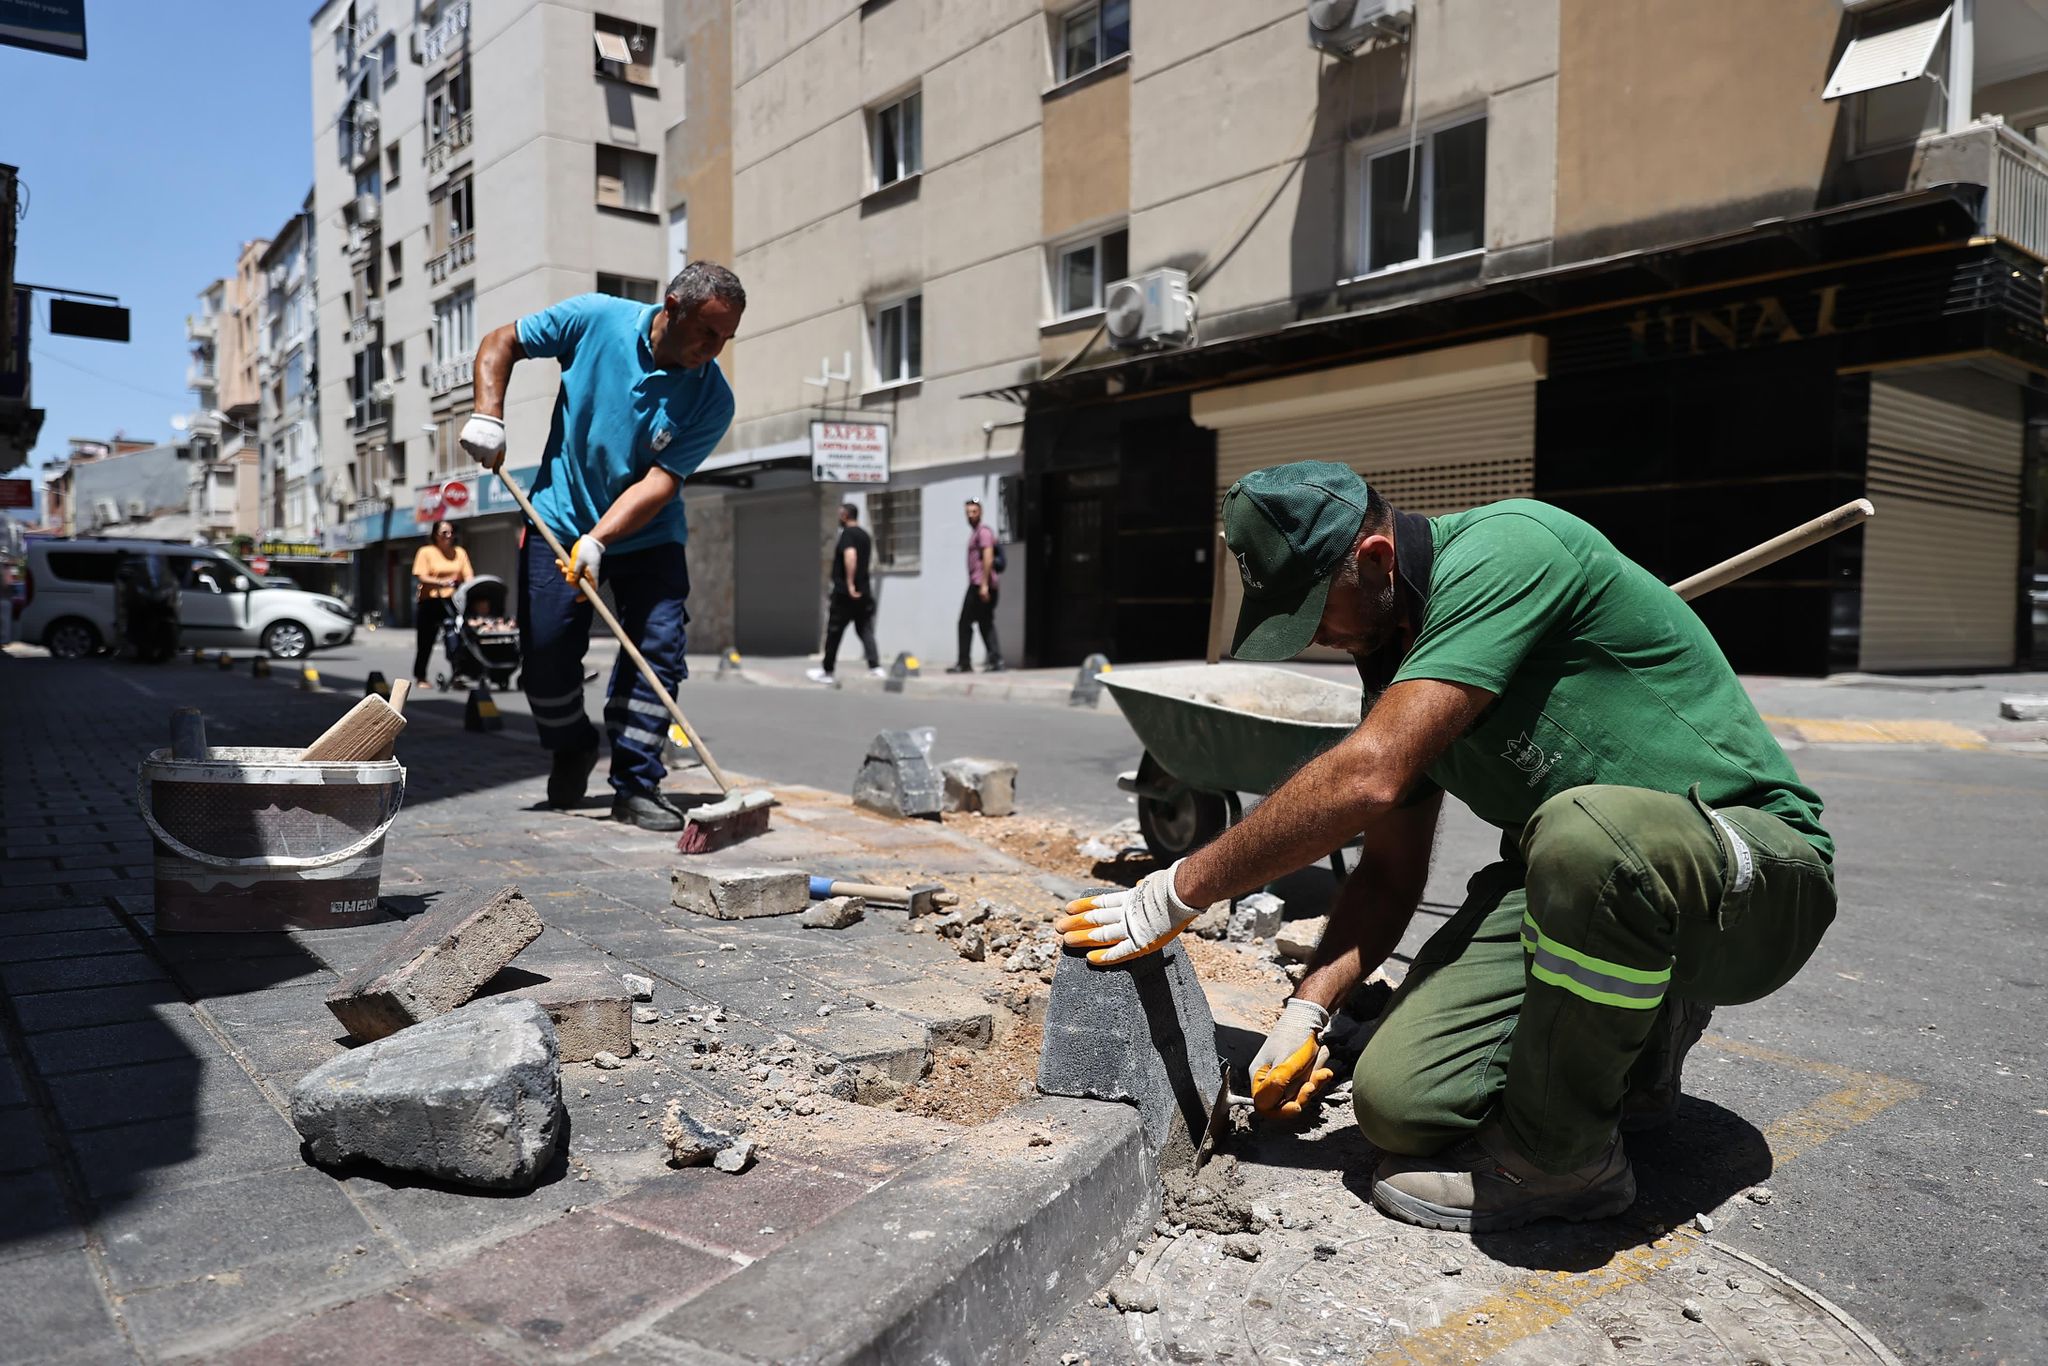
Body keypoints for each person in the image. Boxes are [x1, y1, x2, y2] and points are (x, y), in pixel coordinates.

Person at [1055, 461, 1837, 1234]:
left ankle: (1564, 1159)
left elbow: (1368, 777)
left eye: (1315, 612)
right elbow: (1389, 876)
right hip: (1577, 885)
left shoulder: (1514, 547)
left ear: (1375, 560)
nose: (1318, 640)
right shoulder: (1397, 657)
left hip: (1747, 877)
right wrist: (1308, 1010)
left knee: (1581, 833)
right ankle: (1628, 1068)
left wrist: (1177, 891)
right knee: (1398, 1103)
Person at [459, 261, 744, 831]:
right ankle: (571, 745)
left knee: (658, 649)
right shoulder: (595, 319)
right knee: (543, 657)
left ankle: (637, 783)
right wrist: (488, 414)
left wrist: (601, 539)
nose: (714, 349)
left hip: (646, 534)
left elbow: (660, 482)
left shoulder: (713, 400)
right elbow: (502, 342)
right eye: (707, 332)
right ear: (672, 307)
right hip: (558, 520)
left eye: (726, 339)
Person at [808, 501, 883, 685]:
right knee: (865, 628)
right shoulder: (865, 535)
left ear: (845, 515)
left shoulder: (848, 534)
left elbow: (850, 557)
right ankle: (875, 667)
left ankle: (828, 670)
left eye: (840, 514)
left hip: (846, 594)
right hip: (864, 592)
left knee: (834, 631)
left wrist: (850, 584)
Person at [409, 520, 473, 686]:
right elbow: (421, 576)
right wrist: (441, 582)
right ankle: (420, 676)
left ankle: (458, 674)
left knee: (456, 636)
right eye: (444, 533)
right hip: (430, 600)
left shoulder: (459, 552)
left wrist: (468, 587)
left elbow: (468, 576)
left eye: (451, 532)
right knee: (426, 640)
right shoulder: (426, 552)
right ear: (435, 535)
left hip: (452, 601)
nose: (449, 536)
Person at [950, 497, 1004, 673]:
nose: (970, 516)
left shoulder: (983, 533)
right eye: (968, 513)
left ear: (980, 512)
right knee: (985, 622)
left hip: (980, 584)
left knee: (964, 622)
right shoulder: (975, 533)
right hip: (981, 584)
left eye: (974, 512)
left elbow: (988, 557)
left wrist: (983, 585)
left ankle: (964, 662)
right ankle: (995, 660)